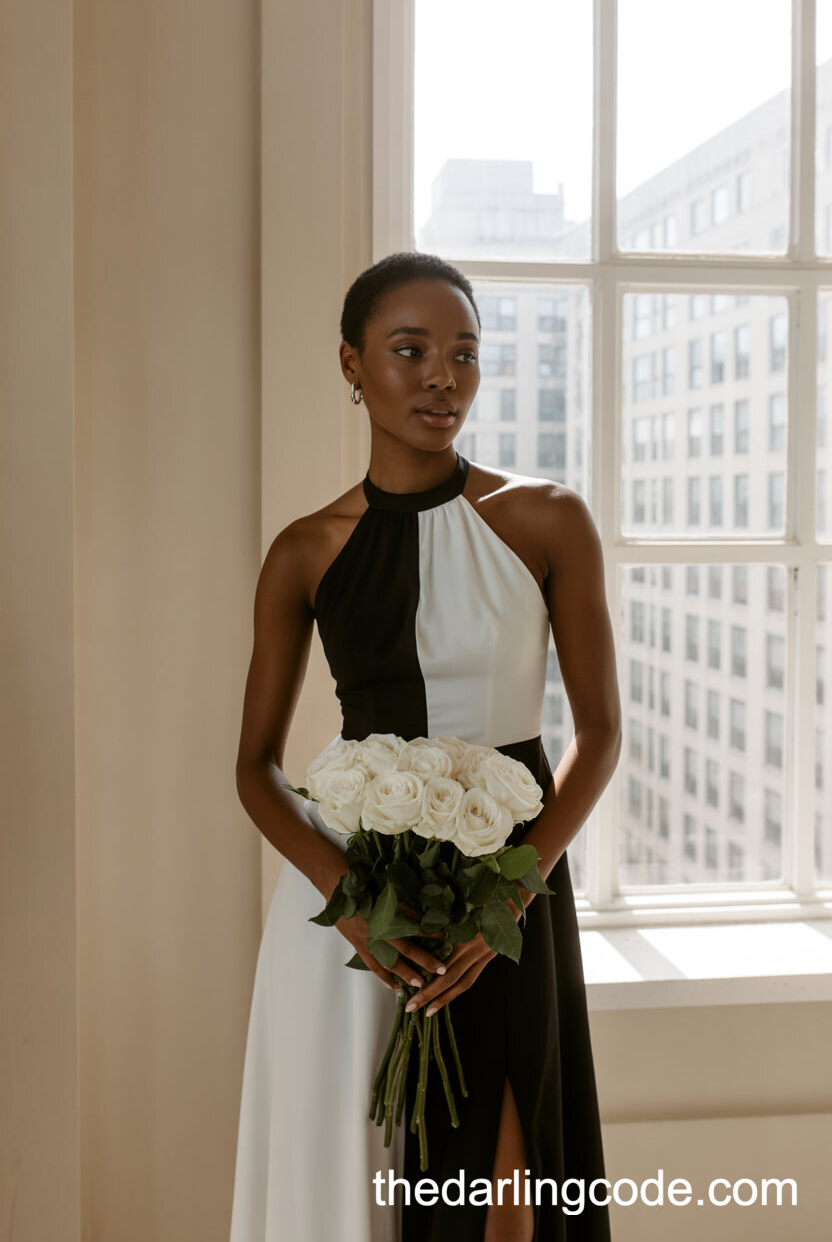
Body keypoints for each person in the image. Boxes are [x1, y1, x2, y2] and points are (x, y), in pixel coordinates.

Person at [229, 251, 622, 1242]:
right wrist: (351, 900)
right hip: (359, 901)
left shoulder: (545, 520)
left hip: (512, 888)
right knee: (362, 1191)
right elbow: (253, 768)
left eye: (463, 354)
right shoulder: (305, 552)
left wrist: (517, 888)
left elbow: (600, 732)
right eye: (411, 351)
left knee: (507, 1201)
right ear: (353, 365)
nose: (442, 376)